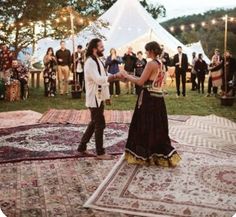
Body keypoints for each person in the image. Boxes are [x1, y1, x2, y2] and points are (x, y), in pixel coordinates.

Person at [121, 41, 181, 167]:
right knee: (157, 126)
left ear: (152, 51)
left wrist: (127, 75)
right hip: (158, 98)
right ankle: (158, 153)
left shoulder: (151, 64)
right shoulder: (161, 64)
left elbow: (141, 81)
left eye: (147, 50)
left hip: (149, 98)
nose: (146, 52)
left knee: (144, 125)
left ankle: (144, 154)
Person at [77, 38, 124, 160]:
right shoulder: (90, 62)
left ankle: (82, 147)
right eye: (101, 46)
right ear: (94, 49)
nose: (103, 48)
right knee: (100, 124)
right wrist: (114, 76)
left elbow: (103, 75)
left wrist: (117, 77)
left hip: (99, 97)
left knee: (94, 123)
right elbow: (98, 79)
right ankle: (100, 152)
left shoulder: (97, 59)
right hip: (94, 98)